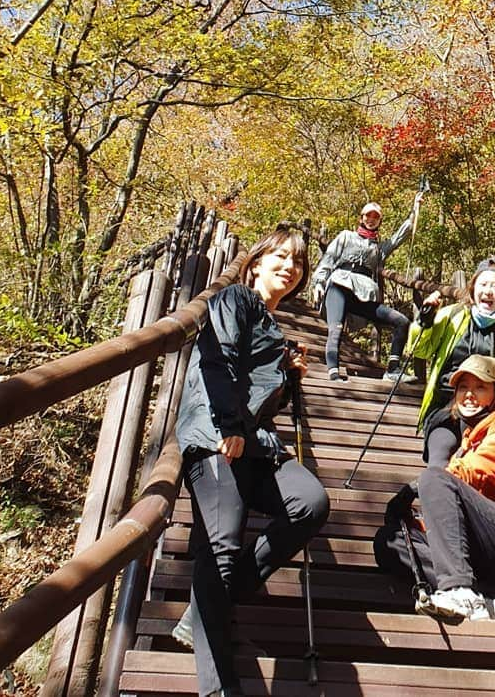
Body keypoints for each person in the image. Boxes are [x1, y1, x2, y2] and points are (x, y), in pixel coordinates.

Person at [173, 225, 330, 697]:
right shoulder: (236, 300)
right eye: (280, 256)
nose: (289, 266)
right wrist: (231, 428)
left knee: (310, 502)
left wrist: (286, 375)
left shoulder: (270, 325)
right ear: (256, 261)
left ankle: (204, 608)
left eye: (297, 262)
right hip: (216, 437)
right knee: (220, 545)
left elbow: (264, 399)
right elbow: (216, 359)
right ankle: (218, 689)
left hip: (255, 445)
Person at [373, 354, 495, 623]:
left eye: (480, 387)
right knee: (389, 543)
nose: (469, 395)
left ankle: (459, 591)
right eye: (463, 388)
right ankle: (490, 599)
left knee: (434, 478)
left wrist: (415, 490)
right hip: (488, 553)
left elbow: (475, 469)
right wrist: (419, 525)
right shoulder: (469, 437)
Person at [408, 257, 495, 467]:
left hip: (487, 413)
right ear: (473, 287)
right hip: (446, 407)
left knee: (476, 466)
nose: (488, 291)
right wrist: (424, 322)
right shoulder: (453, 315)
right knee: (439, 460)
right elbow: (420, 351)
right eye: (483, 284)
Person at [311, 193, 424, 383]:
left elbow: (399, 237)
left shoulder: (378, 248)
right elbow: (328, 259)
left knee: (402, 321)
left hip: (363, 294)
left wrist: (415, 209)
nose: (371, 220)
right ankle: (333, 373)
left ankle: (393, 370)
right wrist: (318, 283)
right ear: (361, 218)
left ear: (379, 221)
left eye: (375, 217)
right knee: (336, 329)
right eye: (368, 216)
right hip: (339, 286)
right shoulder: (346, 236)